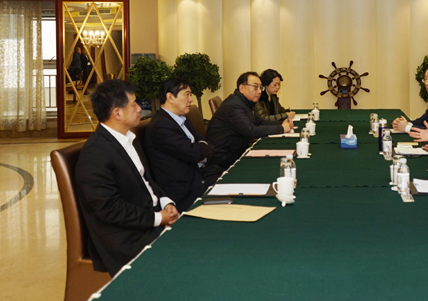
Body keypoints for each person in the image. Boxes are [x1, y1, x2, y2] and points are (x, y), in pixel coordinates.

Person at [74, 79, 179, 276]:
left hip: (145, 221)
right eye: (134, 104)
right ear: (117, 113)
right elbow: (110, 209)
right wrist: (158, 218)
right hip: (124, 239)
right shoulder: (95, 154)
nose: (139, 108)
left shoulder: (129, 138)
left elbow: (147, 180)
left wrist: (166, 202)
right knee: (189, 250)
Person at [144, 78, 220, 213]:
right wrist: (202, 150)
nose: (191, 99)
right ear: (170, 97)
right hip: (186, 191)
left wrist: (202, 149)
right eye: (187, 94)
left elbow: (206, 143)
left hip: (201, 175)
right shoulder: (161, 126)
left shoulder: (182, 119)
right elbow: (195, 153)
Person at [206, 72, 293, 169]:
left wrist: (282, 123)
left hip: (236, 151)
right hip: (225, 158)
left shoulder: (245, 102)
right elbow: (251, 130)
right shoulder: (234, 105)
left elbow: (260, 122)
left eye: (260, 88)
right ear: (242, 88)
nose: (259, 91)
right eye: (255, 87)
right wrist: (281, 128)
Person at [392, 63, 428, 135]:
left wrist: (407, 127)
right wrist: (404, 123)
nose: (426, 83)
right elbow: (423, 120)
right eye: (425, 79)